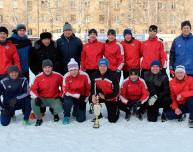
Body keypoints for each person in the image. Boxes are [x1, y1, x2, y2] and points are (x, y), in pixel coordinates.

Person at [30, 59, 63, 126]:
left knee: (59, 107)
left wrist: (61, 95)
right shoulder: (38, 77)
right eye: (45, 67)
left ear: (52, 68)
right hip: (42, 99)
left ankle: (55, 113)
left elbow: (65, 86)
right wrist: (36, 97)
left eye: (49, 67)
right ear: (42, 68)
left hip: (54, 98)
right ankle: (39, 118)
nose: (47, 69)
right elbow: (32, 89)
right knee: (33, 101)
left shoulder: (58, 76)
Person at [81, 28, 104, 113]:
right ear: (89, 35)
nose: (93, 35)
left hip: (98, 70)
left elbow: (107, 55)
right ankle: (91, 104)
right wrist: (82, 68)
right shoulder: (85, 46)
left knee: (98, 88)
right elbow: (83, 58)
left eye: (94, 33)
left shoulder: (101, 45)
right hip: (88, 70)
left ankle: (97, 104)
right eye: (91, 33)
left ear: (96, 35)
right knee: (90, 88)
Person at [63, 58, 91, 124]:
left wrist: (85, 101)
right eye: (71, 70)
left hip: (82, 98)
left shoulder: (84, 75)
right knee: (67, 101)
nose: (73, 71)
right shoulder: (66, 76)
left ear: (78, 68)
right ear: (69, 70)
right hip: (70, 96)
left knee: (81, 119)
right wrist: (77, 95)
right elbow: (65, 91)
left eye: (75, 69)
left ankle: (76, 110)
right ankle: (66, 115)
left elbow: (88, 89)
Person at [91, 58, 120, 123]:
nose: (102, 68)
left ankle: (117, 109)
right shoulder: (95, 75)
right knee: (92, 98)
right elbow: (93, 87)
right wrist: (93, 95)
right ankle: (98, 115)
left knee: (112, 120)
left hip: (111, 98)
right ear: (98, 66)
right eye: (100, 66)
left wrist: (106, 97)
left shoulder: (113, 76)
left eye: (104, 66)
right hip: (101, 95)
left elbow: (116, 92)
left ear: (107, 66)